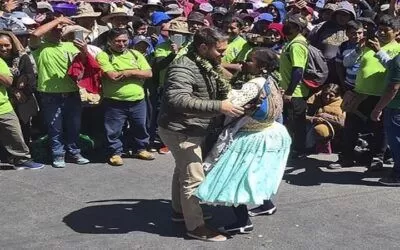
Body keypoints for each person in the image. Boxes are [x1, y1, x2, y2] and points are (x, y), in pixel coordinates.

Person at [158, 27, 243, 242]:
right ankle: (196, 227)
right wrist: (219, 106)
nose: (223, 55)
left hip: (193, 127)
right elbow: (177, 99)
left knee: (183, 171)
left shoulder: (207, 63)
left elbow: (223, 83)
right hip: (181, 129)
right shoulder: (183, 67)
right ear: (203, 47)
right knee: (193, 177)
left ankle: (180, 212)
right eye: (220, 51)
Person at [196, 48, 291, 234]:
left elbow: (233, 103)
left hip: (252, 137)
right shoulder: (271, 79)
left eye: (249, 60)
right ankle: (266, 205)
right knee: (257, 173)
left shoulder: (254, 84)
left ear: (261, 65)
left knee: (234, 177)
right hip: (271, 133)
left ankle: (242, 221)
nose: (244, 63)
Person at [329, 15, 400, 169]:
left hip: (380, 97)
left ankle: (377, 158)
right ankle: (346, 157)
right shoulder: (368, 45)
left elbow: (393, 70)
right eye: (379, 30)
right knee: (351, 127)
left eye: (385, 31)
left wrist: (379, 51)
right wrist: (358, 49)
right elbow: (347, 63)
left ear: (396, 32)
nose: (380, 33)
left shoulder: (397, 49)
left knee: (380, 130)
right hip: (360, 93)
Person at [30, 16, 90, 168]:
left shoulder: (70, 46)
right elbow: (35, 34)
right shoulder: (39, 47)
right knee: (54, 127)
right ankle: (58, 154)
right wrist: (58, 20)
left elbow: (84, 64)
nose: (58, 31)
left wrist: (84, 51)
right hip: (50, 94)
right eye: (54, 29)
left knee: (74, 126)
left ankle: (74, 152)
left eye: (60, 29)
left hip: (72, 92)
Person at [96, 28, 154, 166]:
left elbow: (148, 73)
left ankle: (140, 148)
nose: (121, 44)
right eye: (117, 41)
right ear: (109, 42)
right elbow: (112, 76)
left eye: (124, 41)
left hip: (138, 99)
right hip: (115, 100)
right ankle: (115, 153)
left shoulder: (135, 54)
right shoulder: (104, 56)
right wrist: (136, 74)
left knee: (140, 126)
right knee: (113, 129)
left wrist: (129, 72)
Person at [0, 42, 43, 170]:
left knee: (14, 133)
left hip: (3, 106)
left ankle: (22, 159)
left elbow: (8, 82)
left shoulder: (0, 62)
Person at [280, 13, 309, 158]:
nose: (286, 26)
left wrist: (289, 92)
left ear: (298, 28)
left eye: (290, 25)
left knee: (295, 123)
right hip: (289, 90)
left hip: (295, 92)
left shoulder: (297, 45)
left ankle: (298, 151)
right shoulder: (291, 42)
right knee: (292, 122)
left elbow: (298, 70)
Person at [0, 31, 37, 144]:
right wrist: (13, 90)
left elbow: (31, 78)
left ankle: (24, 155)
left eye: (7, 45)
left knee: (22, 127)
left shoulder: (22, 58)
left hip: (23, 98)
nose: (4, 49)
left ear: (12, 44)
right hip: (5, 97)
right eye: (0, 46)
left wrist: (22, 87)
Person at [371, 54, 400, 186]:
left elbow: (393, 87)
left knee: (397, 143)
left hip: (396, 109)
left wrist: (378, 108)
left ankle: (398, 176)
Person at [306, 84, 345, 154]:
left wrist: (324, 116)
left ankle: (308, 148)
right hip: (313, 121)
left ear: (337, 95)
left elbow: (342, 122)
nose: (327, 97)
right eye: (325, 94)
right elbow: (304, 114)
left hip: (331, 127)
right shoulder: (317, 98)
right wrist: (313, 118)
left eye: (331, 95)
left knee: (320, 130)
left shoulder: (341, 104)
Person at [336, 20, 364, 91]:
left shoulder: (368, 46)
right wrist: (342, 82)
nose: (357, 36)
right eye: (353, 33)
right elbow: (339, 65)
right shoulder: (343, 46)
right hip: (349, 84)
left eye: (360, 33)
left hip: (364, 85)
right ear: (347, 34)